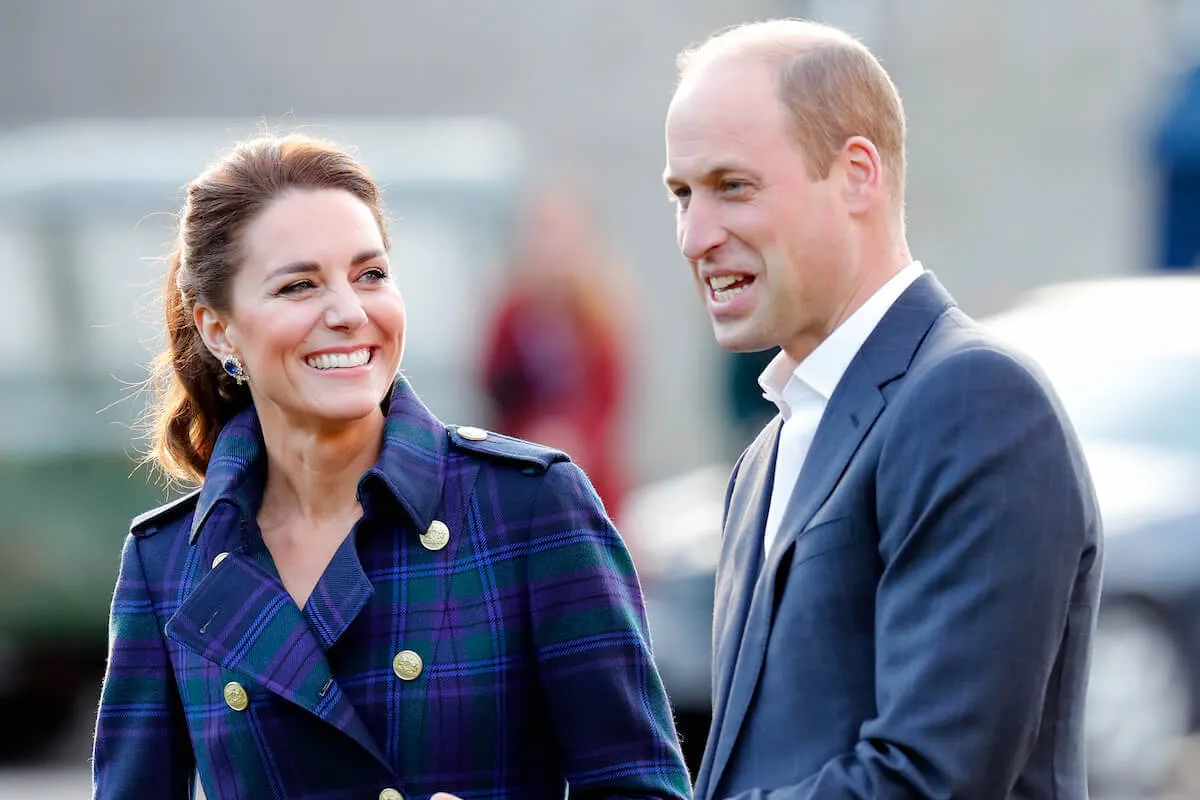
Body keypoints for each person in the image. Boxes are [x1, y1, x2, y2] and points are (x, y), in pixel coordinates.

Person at [92, 133, 691, 800]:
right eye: (299, 285)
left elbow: (642, 789)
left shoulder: (530, 507)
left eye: (370, 274)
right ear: (217, 329)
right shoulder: (168, 561)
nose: (350, 313)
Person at [661, 19, 1102, 799]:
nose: (696, 235)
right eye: (682, 194)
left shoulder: (975, 405)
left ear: (858, 174)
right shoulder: (769, 452)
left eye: (733, 186)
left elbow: (931, 781)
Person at [480, 178, 633, 521]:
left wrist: (573, 436)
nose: (550, 246)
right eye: (542, 232)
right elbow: (493, 387)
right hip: (522, 468)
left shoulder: (600, 314)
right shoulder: (511, 311)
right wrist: (532, 436)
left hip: (587, 475)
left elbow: (609, 400)